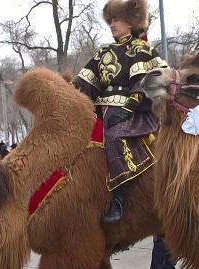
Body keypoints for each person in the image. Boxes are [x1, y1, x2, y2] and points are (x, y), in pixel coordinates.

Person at [72, 0, 168, 223]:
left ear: (131, 22)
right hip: (101, 112)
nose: (112, 25)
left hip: (133, 113)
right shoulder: (104, 52)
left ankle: (119, 198)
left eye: (116, 20)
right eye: (111, 20)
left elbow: (145, 83)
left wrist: (127, 108)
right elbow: (84, 83)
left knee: (114, 136)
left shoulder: (141, 49)